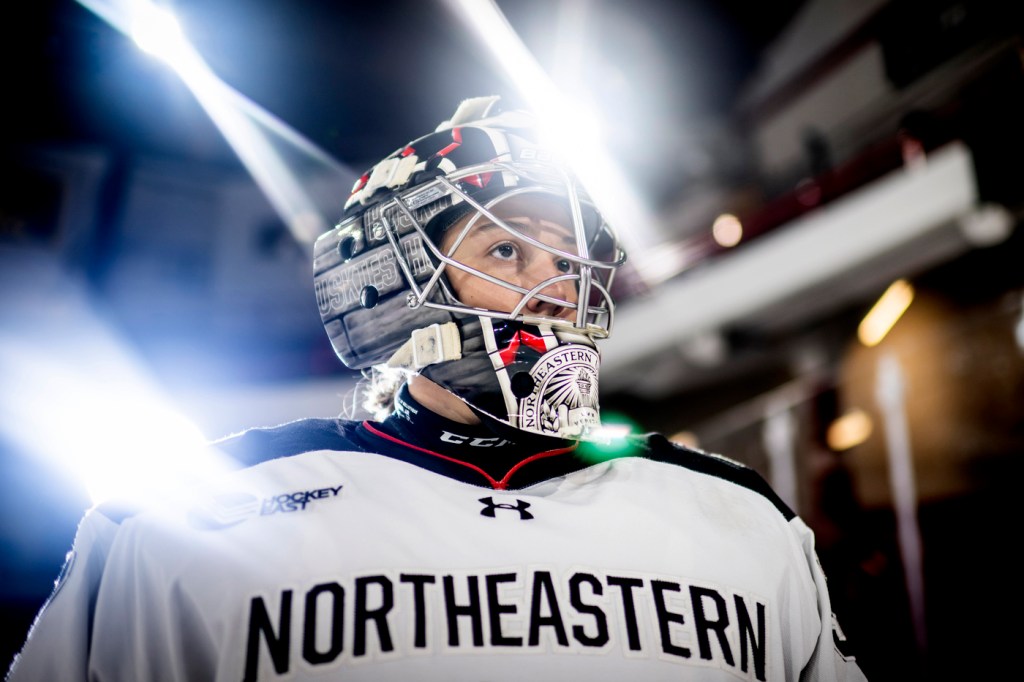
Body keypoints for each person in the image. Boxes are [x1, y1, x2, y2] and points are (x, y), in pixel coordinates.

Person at [6, 96, 868, 681]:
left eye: (570, 262)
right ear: (383, 279)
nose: (558, 288)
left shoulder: (748, 524)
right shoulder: (186, 528)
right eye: (507, 252)